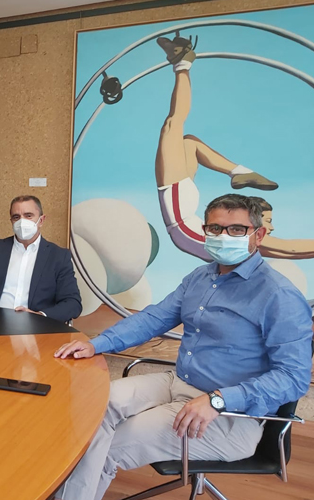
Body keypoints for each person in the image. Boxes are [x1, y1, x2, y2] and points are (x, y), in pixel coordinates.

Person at [52, 194, 313, 500]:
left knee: (106, 447)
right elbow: (153, 318)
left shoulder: (279, 295)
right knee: (92, 406)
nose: (223, 236)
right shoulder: (200, 277)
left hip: (229, 415)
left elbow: (293, 378)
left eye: (236, 229)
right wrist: (97, 344)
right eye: (215, 228)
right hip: (179, 382)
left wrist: (218, 400)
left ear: (259, 234)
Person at [153, 33, 278, 261]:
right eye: (268, 221)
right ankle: (239, 172)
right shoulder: (244, 238)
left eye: (268, 222)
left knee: (173, 124)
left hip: (182, 220)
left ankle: (181, 63)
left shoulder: (248, 239)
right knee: (188, 142)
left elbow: (293, 249)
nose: (271, 227)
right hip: (183, 213)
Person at [0, 195, 82, 323]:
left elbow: (72, 303)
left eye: (28, 216)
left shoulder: (58, 256)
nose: (22, 221)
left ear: (41, 220)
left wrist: (39, 316)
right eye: (16, 217)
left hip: (37, 327)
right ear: (11, 221)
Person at [247, 196, 314, 259]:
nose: (272, 228)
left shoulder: (250, 245)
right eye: (268, 221)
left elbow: (288, 254)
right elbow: (291, 248)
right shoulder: (249, 236)